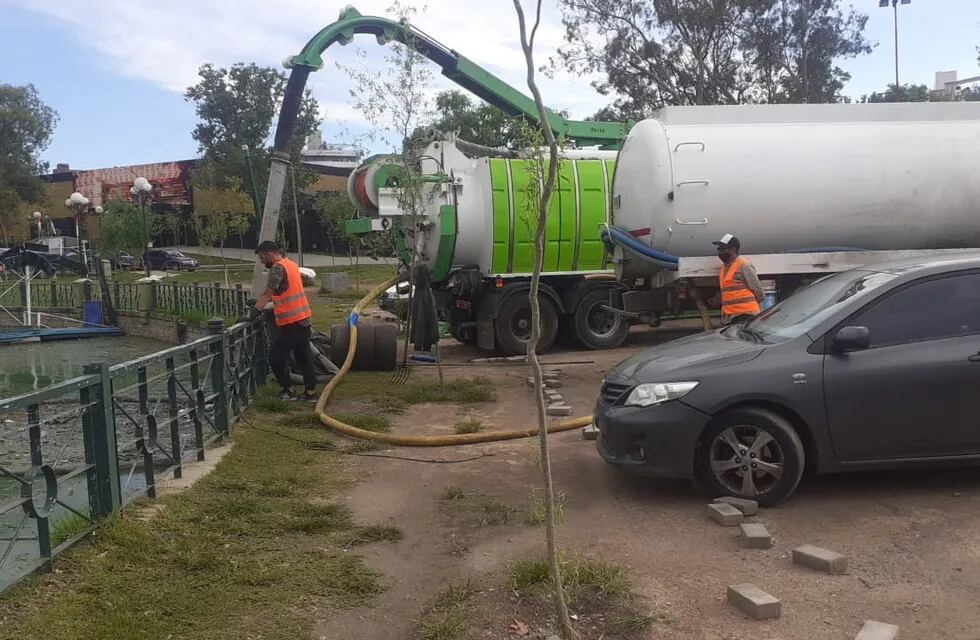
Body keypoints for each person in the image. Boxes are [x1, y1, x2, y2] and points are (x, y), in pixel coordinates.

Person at [254, 241, 318, 401]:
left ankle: (287, 390)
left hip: (292, 321)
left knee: (275, 357)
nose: (262, 261)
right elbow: (284, 292)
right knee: (303, 356)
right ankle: (311, 393)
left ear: (269, 254)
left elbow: (268, 293)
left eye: (262, 258)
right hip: (303, 317)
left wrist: (255, 311)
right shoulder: (290, 264)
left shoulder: (277, 268)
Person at [711, 233, 764, 325]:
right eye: (718, 249)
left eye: (723, 249)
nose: (719, 252)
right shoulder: (723, 268)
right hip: (731, 315)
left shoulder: (744, 265)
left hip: (745, 314)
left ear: (733, 250)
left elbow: (758, 291)